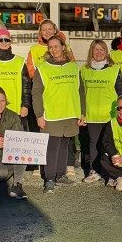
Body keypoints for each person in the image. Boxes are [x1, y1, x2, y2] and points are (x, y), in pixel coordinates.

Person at [32, 35, 85, 193]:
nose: (53, 49)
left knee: (64, 145)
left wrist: (82, 112)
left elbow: (80, 91)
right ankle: (49, 178)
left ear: (63, 47)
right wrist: (39, 114)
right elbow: (36, 93)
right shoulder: (42, 68)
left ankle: (60, 174)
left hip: (70, 114)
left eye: (56, 46)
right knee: (52, 148)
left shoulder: (74, 67)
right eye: (50, 47)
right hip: (52, 115)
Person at [80, 39, 122, 185]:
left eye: (102, 50)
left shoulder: (115, 69)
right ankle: (95, 171)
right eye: (96, 49)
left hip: (109, 114)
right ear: (91, 52)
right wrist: (82, 113)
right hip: (92, 115)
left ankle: (112, 173)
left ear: (106, 52)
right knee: (94, 144)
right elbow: (81, 94)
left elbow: (121, 93)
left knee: (109, 145)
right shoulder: (84, 70)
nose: (99, 52)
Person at [0, 87, 28, 199]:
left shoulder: (12, 116)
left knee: (23, 155)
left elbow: (19, 137)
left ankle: (17, 185)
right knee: (1, 172)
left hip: (8, 154)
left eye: (2, 101)